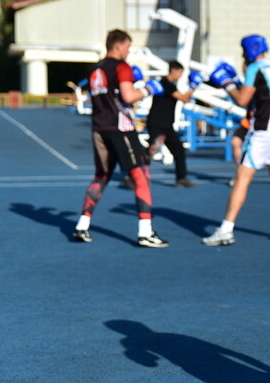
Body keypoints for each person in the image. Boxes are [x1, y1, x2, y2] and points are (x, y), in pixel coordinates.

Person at [71, 29, 169, 248]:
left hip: (99, 128)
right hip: (120, 128)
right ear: (117, 45)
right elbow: (128, 96)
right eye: (127, 47)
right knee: (141, 175)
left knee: (101, 176)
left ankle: (82, 225)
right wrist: (148, 89)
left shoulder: (94, 69)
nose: (129, 51)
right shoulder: (121, 67)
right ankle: (145, 232)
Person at [202, 35, 270, 246]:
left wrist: (227, 83)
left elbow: (242, 99)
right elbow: (260, 95)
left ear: (250, 50)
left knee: (241, 179)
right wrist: (236, 82)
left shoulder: (255, 68)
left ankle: (226, 230)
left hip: (263, 132)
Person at [146, 60, 200, 188]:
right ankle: (133, 177)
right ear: (173, 70)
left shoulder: (170, 84)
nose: (181, 75)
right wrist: (193, 86)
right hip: (157, 124)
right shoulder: (165, 83)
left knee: (178, 150)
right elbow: (184, 98)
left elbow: (185, 98)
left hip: (167, 125)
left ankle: (181, 178)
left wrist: (192, 88)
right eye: (180, 72)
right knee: (151, 151)